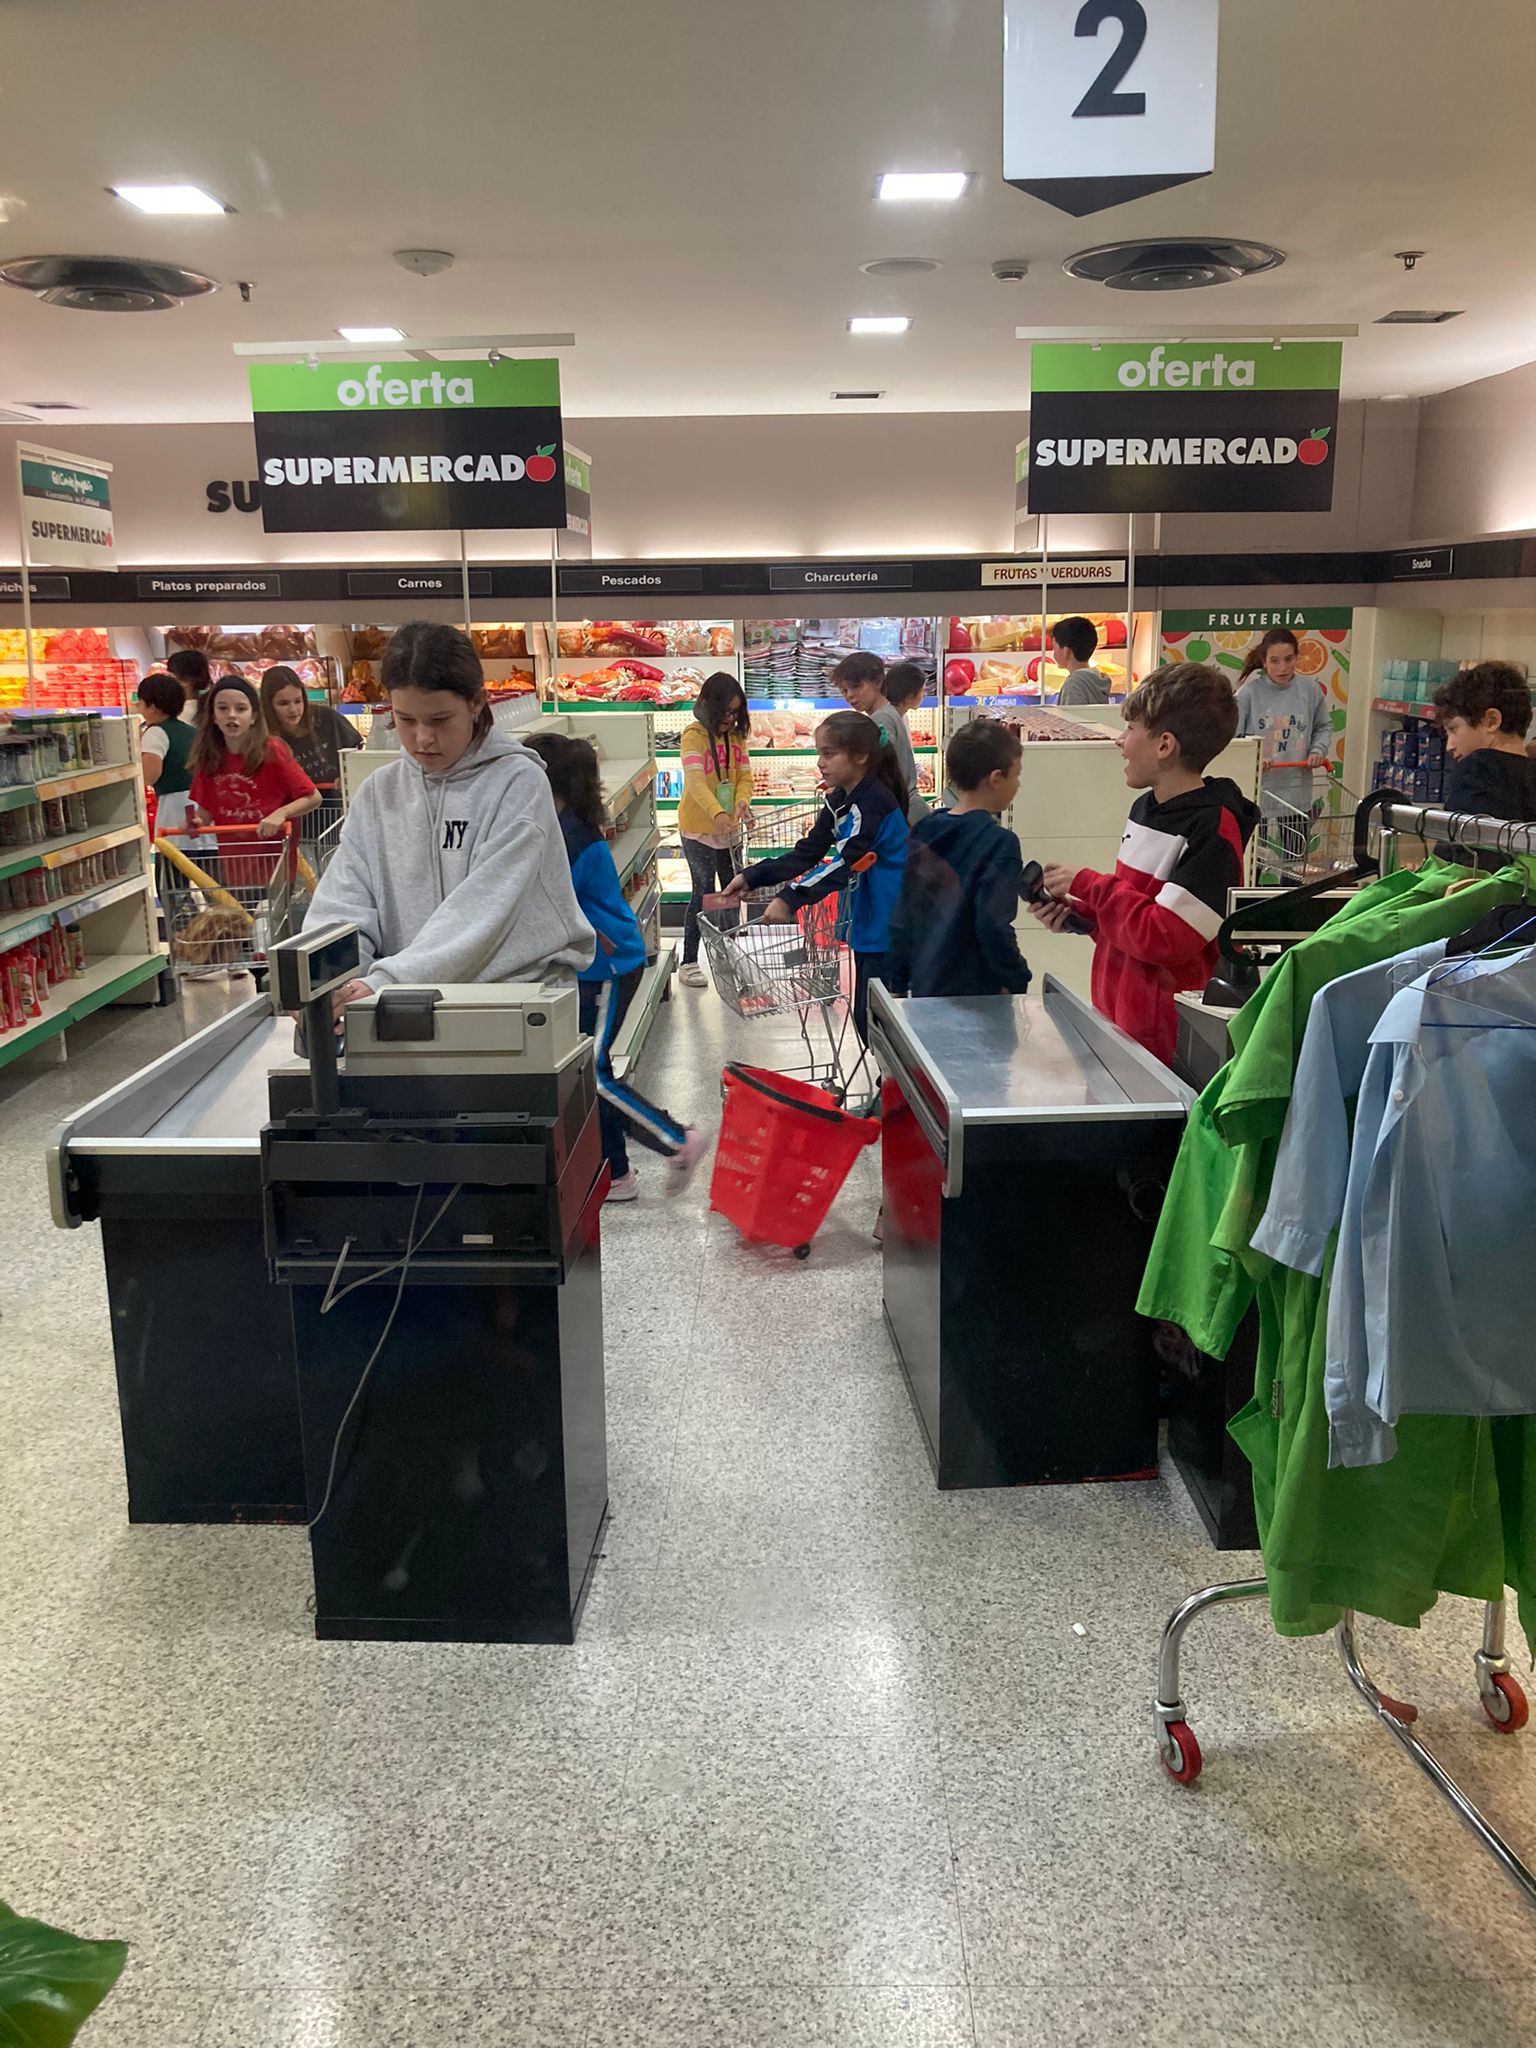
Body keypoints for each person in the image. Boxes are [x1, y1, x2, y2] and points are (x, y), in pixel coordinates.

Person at [305, 621, 592, 1015]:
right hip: (404, 1004)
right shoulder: (378, 793)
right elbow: (344, 900)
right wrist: (327, 981)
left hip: (512, 1005)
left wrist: (387, 980)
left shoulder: (518, 784)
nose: (422, 738)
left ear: (476, 703)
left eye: (439, 720)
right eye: (406, 720)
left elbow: (484, 912)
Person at [1030, 662, 1261, 1067]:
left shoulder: (1213, 831)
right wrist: (1084, 917)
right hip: (1121, 1025)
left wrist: (1090, 885)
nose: (1121, 741)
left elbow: (1166, 938)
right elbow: (1138, 918)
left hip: (1168, 1049)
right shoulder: (1146, 808)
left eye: (1131, 728)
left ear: (1164, 745)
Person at [524, 732, 707, 1200]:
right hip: (595, 964)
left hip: (606, 967)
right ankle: (616, 1173)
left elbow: (539, 898)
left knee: (596, 1074)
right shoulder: (566, 825)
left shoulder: (570, 838)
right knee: (590, 1072)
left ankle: (676, 1140)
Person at [722, 708, 909, 1044]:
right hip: (870, 919)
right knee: (870, 1018)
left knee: (876, 1021)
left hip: (891, 921)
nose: (821, 763)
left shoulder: (872, 804)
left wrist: (791, 898)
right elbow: (808, 851)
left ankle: (897, 1077)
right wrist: (753, 876)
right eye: (819, 753)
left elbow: (844, 862)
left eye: (828, 754)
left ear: (860, 756)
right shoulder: (842, 799)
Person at [887, 719, 1032, 1000]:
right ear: (996, 779)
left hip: (926, 986)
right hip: (979, 993)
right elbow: (992, 924)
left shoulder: (925, 829)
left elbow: (903, 914)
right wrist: (1017, 977)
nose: (1017, 784)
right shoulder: (1000, 843)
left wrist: (898, 981)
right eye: (1016, 775)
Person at [187, 678, 321, 886]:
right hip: (234, 867)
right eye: (223, 708)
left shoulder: (272, 750)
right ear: (213, 716)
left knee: (271, 907)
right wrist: (196, 822)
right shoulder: (209, 757)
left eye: (241, 709)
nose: (232, 715)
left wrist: (281, 813)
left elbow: (313, 797)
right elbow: (207, 811)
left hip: (276, 867)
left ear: (254, 717)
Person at [676, 671, 753, 989]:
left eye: (735, 712)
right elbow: (695, 781)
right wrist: (717, 812)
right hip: (698, 829)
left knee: (731, 892)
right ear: (708, 705)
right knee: (704, 892)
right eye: (725, 711)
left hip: (730, 830)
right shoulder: (692, 736)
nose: (730, 718)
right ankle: (689, 961)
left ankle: (728, 953)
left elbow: (745, 776)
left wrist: (742, 802)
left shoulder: (736, 737)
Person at [1234, 628, 1333, 865]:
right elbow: (1234, 740)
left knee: (1295, 863)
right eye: (1275, 661)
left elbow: (1323, 726)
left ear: (1297, 657)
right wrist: (1255, 757)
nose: (1282, 668)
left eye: (1289, 659)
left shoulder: (1310, 690)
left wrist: (1317, 750)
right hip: (1258, 792)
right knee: (1253, 863)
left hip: (1295, 791)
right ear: (1264, 661)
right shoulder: (1248, 694)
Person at [1433, 661, 1536, 863]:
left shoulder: (1478, 769)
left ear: (1491, 721)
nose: (1449, 746)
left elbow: (1462, 863)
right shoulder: (1530, 776)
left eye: (1453, 729)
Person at [832, 650, 924, 830]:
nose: (849, 695)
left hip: (902, 813)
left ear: (878, 681)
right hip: (906, 808)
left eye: (856, 687)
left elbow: (882, 771)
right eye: (844, 690)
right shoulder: (888, 713)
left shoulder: (880, 720)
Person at [259, 665, 363, 788]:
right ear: (269, 706)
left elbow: (358, 752)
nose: (293, 709)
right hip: (296, 800)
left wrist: (348, 773)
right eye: (283, 703)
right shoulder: (263, 737)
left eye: (298, 701)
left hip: (338, 797)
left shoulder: (326, 717)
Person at [136, 672, 194, 828]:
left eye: (140, 703)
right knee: (196, 840)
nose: (138, 709)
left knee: (176, 842)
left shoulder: (155, 732)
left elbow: (150, 775)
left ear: (152, 707)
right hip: (197, 804)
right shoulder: (190, 731)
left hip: (173, 807)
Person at [881, 661, 932, 823]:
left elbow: (904, 752)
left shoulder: (900, 716)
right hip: (896, 803)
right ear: (910, 696)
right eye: (922, 691)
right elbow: (889, 766)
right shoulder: (887, 719)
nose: (924, 695)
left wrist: (919, 771)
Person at [1051, 617, 1115, 706]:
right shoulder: (1097, 679)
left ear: (1066, 651)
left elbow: (1072, 714)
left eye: (1054, 647)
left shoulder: (1073, 684)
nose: (1053, 652)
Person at [166, 647, 213, 723]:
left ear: (186, 681)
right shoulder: (208, 708)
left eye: (170, 677)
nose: (166, 682)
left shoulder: (183, 714)